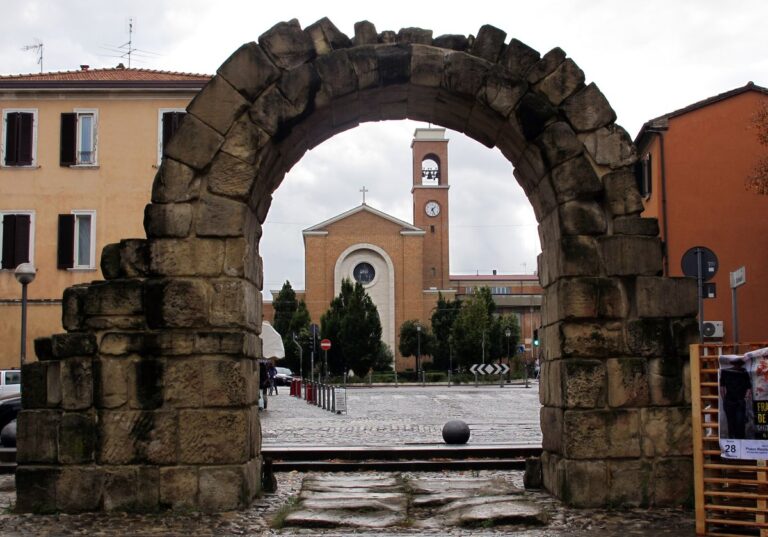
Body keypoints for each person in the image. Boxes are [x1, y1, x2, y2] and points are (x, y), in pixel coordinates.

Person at [720, 359, 752, 439]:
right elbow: (722, 388)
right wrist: (745, 398)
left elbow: (722, 388)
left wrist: (724, 400)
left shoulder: (726, 372)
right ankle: (736, 440)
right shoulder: (743, 372)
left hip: (736, 401)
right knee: (737, 423)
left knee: (734, 422)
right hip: (735, 400)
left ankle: (735, 439)